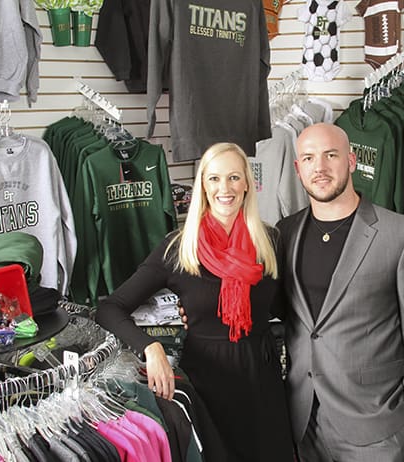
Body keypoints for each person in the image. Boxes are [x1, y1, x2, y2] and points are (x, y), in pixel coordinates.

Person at [95, 142, 294, 462]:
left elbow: (282, 308)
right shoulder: (179, 247)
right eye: (214, 178)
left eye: (233, 177)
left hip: (261, 377)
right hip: (205, 384)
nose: (224, 188)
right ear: (202, 185)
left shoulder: (270, 241)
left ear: (247, 183)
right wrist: (151, 347)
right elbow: (108, 308)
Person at [275, 123, 404, 461]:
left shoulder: (401, 234)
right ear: (298, 169)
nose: (319, 168)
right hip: (304, 418)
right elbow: (285, 315)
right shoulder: (285, 232)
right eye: (308, 158)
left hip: (378, 425)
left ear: (351, 160)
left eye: (330, 155)